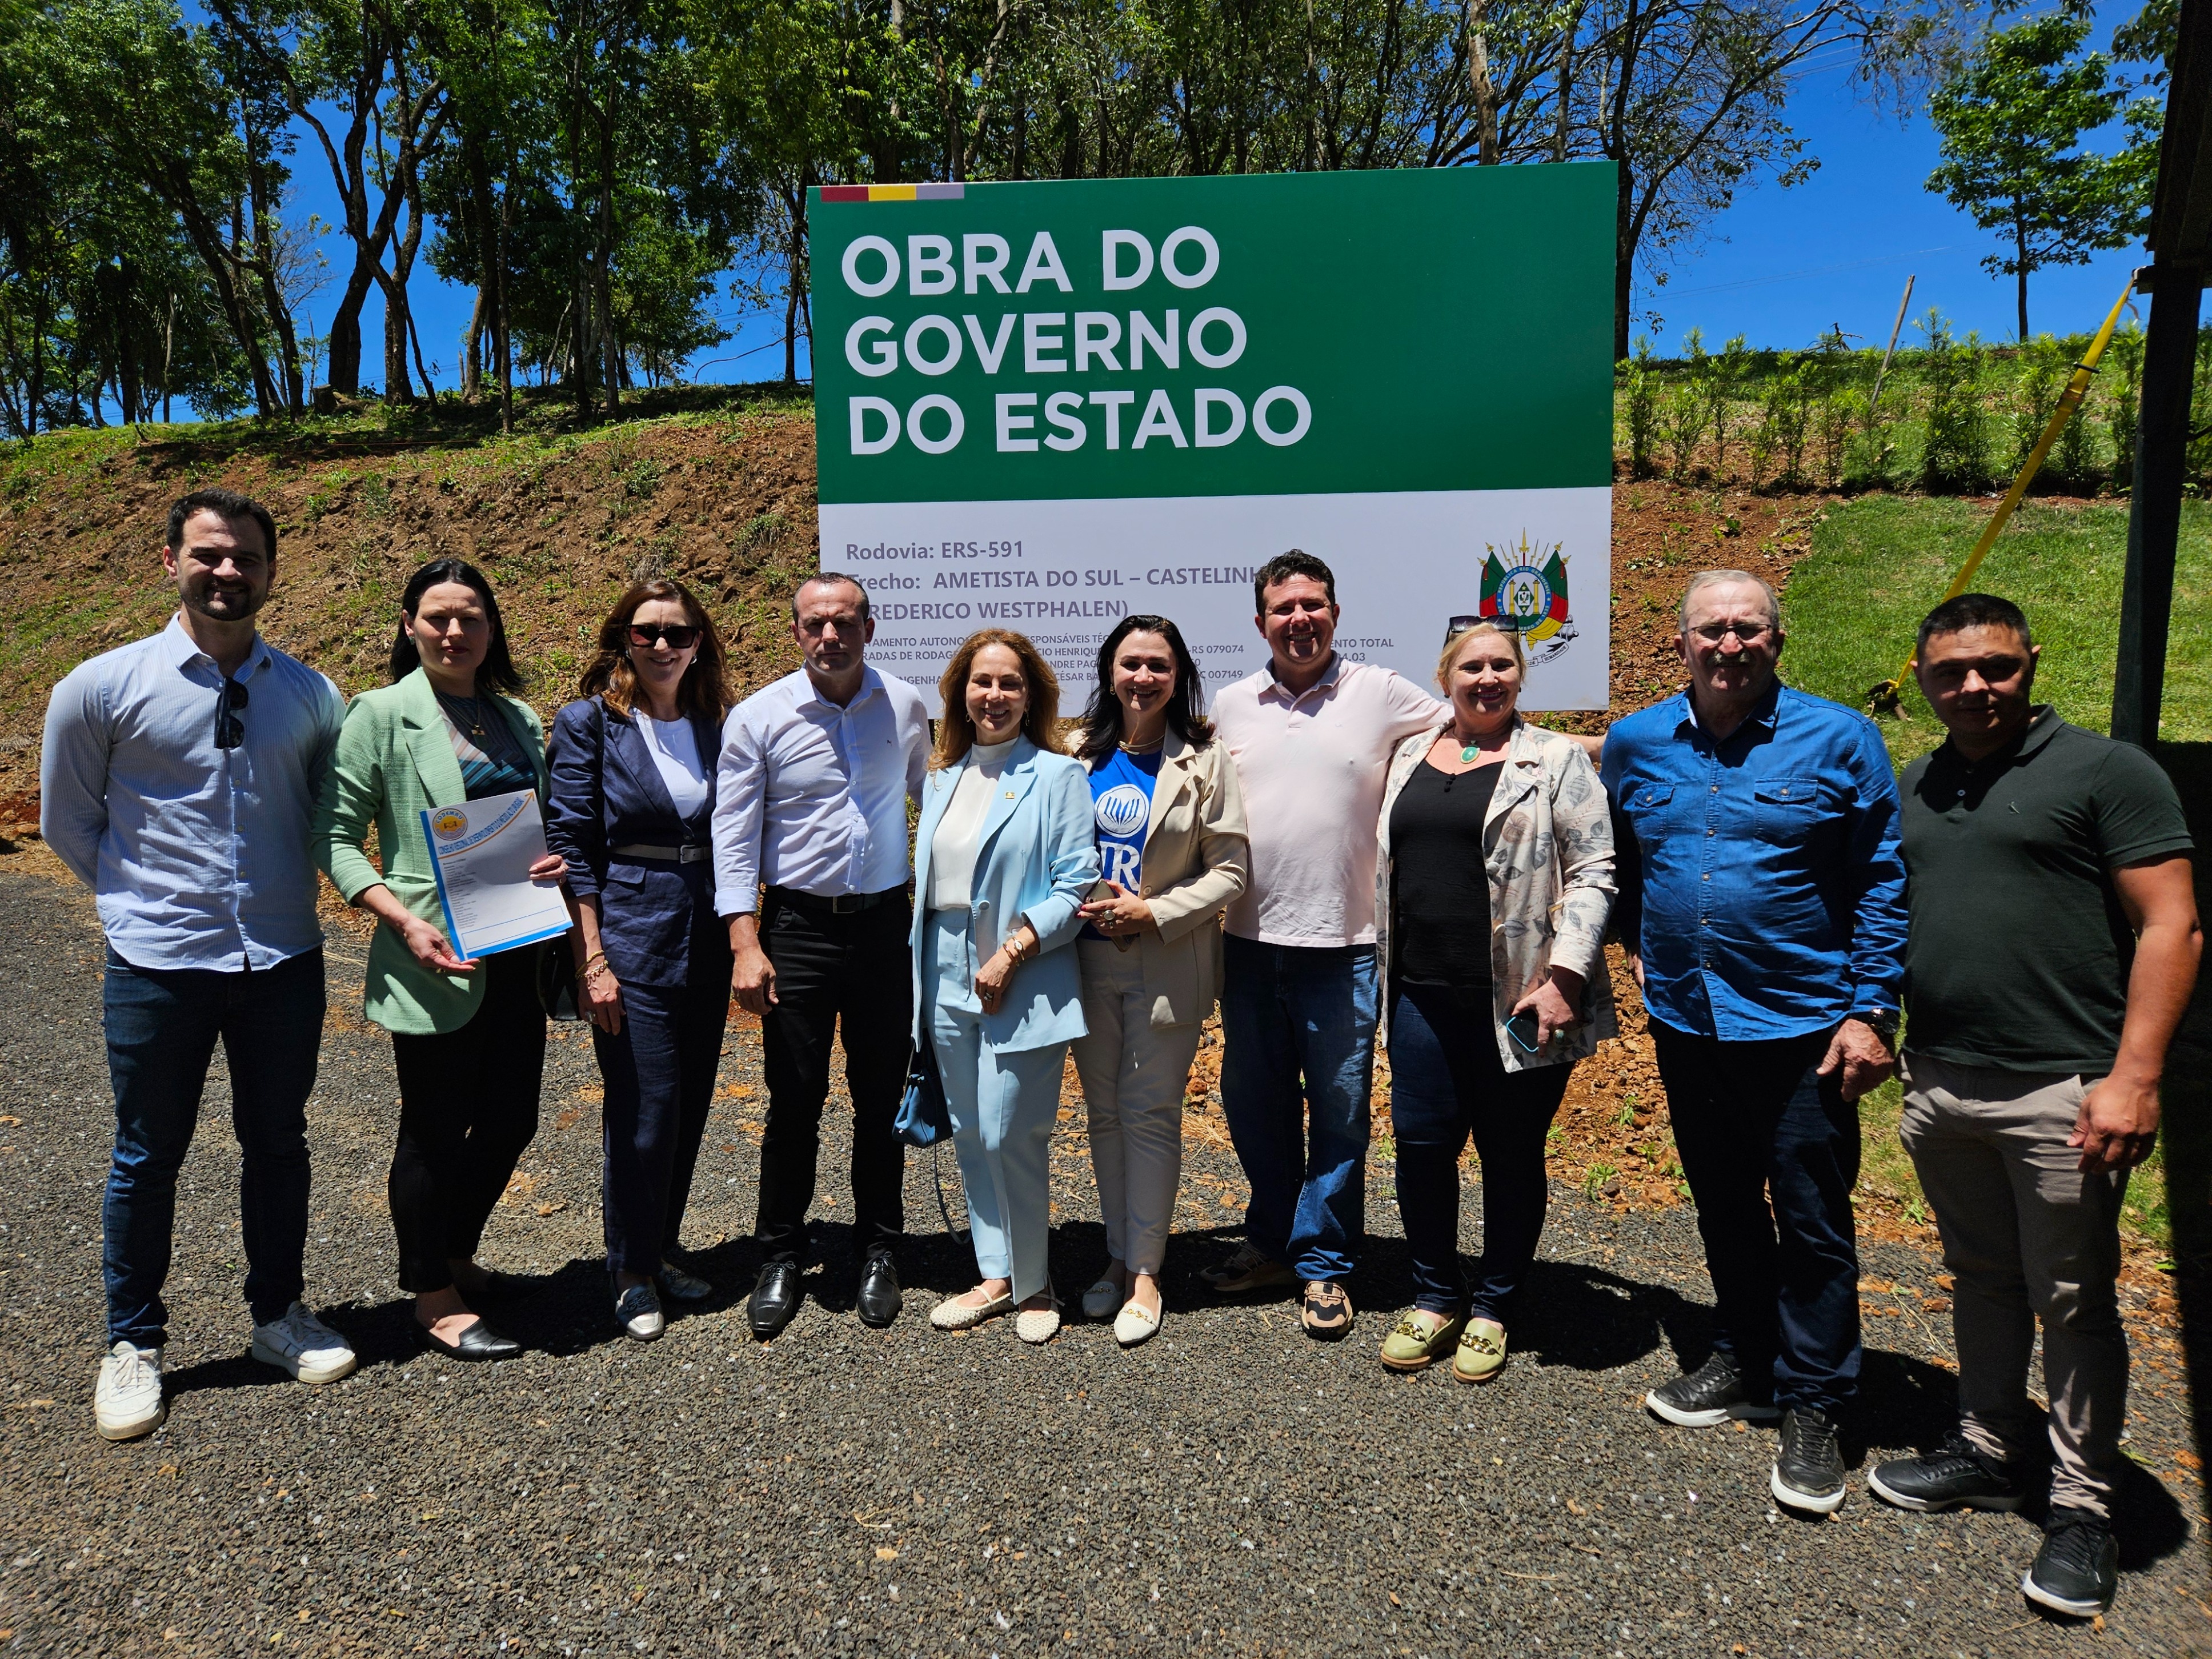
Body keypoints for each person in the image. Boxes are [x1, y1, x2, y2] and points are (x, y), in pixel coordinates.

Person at [1867, 594, 2199, 1616]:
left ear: (2030, 662)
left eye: (1996, 668)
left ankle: (2083, 1503)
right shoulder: (1918, 782)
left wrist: (2133, 1074)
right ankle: (1986, 1444)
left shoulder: (2105, 772)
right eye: (1951, 672)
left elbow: (2172, 924)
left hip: (2064, 1083)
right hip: (1943, 1077)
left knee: (2073, 1296)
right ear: (1921, 676)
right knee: (1979, 1273)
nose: (1974, 687)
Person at [42, 489, 357, 1440]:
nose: (228, 572)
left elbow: (327, 814)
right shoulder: (102, 686)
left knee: (280, 1142)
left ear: (270, 570)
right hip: (157, 961)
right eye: (209, 555)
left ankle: (276, 1316)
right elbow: (68, 819)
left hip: (283, 956)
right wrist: (135, 902)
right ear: (170, 560)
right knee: (147, 1154)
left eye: (247, 558)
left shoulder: (309, 692)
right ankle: (133, 1340)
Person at [1602, 569, 1906, 1516]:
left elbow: (1882, 878)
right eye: (1709, 630)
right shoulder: (1639, 741)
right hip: (1689, 1021)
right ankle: (1742, 1350)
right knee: (1724, 1199)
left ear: (1776, 638)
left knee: (1813, 1219)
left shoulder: (1839, 738)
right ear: (1679, 641)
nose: (1727, 644)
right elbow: (1616, 855)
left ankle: (1816, 1396)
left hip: (1804, 1027)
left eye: (1746, 628)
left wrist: (1871, 1009)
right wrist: (1632, 943)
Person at [314, 558, 564, 1362]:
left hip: (519, 952)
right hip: (434, 955)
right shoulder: (381, 714)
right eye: (438, 617)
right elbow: (336, 837)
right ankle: (431, 1293)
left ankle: (455, 1252)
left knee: (511, 1119)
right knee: (431, 1130)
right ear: (408, 624)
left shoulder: (517, 716)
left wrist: (553, 860)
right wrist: (399, 922)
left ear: (492, 628)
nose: (454, 631)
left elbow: (539, 818)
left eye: (471, 617)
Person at [1207, 550, 1445, 1339]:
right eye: (1284, 609)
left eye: (1313, 605)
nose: (1299, 619)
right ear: (1261, 623)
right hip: (1246, 944)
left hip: (1346, 947)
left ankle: (1325, 1262)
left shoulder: (1380, 693)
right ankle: (1274, 1239)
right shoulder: (1232, 704)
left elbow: (1479, 732)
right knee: (1254, 1105)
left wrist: (1589, 751)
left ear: (1336, 614)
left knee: (1340, 1111)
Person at [1371, 620, 1617, 1381]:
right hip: (1417, 995)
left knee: (1511, 1157)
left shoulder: (1558, 759)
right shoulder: (1409, 756)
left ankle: (1496, 1304)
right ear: (1446, 675)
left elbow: (1597, 868)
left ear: (1520, 675)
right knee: (1421, 1149)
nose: (1487, 678)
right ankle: (1436, 1294)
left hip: (1522, 999)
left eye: (1502, 666)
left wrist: (1567, 974)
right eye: (1472, 666)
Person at [714, 574, 929, 1338]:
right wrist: (744, 939)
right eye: (816, 624)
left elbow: (930, 809)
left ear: (870, 627)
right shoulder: (759, 717)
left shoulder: (904, 706)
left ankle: (879, 1249)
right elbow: (733, 834)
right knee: (794, 1101)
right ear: (797, 631)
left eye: (844, 622)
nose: (830, 636)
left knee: (879, 1103)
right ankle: (779, 1255)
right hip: (797, 928)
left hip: (883, 929)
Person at [546, 580, 735, 1344]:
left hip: (708, 936)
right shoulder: (591, 723)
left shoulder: (717, 726)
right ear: (622, 638)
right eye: (647, 632)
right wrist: (592, 959)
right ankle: (627, 1269)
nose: (664, 646)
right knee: (646, 1110)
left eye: (679, 633)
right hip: (628, 936)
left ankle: (661, 1247)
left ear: (701, 642)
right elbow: (572, 845)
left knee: (687, 1107)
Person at [912, 630, 1100, 1344]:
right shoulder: (941, 776)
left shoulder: (1056, 776)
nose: (994, 696)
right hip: (942, 966)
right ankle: (995, 1274)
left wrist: (1015, 948)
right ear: (961, 691)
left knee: (1011, 1130)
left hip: (1020, 969)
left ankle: (1035, 1281)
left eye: (1010, 684)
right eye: (981, 682)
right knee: (967, 1130)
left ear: (1032, 696)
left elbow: (1076, 881)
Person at [1068, 616, 1249, 1346]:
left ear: (1178, 677)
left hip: (1166, 963)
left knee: (1149, 1113)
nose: (1143, 678)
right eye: (1130, 663)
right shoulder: (1076, 752)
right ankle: (1114, 1255)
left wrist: (1154, 911)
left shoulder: (1204, 758)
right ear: (1109, 671)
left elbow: (1231, 871)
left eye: (1159, 666)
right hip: (1081, 962)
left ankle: (1145, 1271)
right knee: (1103, 1115)